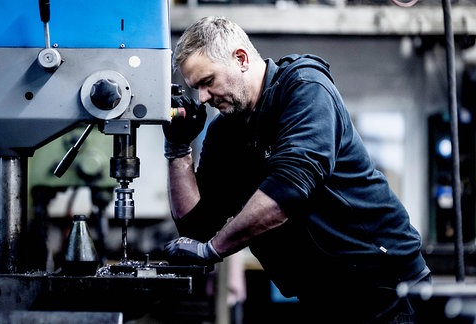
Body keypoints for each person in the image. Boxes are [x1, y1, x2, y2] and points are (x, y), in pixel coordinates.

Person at [162, 16, 431, 323]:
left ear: (241, 59)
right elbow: (196, 228)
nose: (202, 98)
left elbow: (288, 191)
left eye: (208, 82)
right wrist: (178, 150)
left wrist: (212, 251)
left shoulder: (305, 88)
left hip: (388, 290)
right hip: (325, 297)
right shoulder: (226, 134)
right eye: (196, 88)